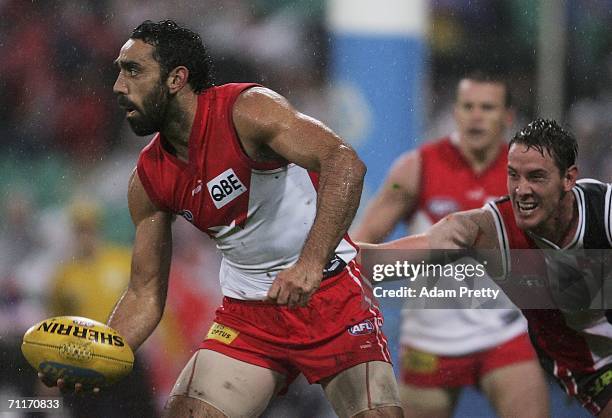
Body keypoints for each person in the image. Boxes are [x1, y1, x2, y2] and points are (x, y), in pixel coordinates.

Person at [41, 20, 403, 418]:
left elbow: (343, 161)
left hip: (330, 294)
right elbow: (145, 294)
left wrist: (310, 264)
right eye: (119, 71)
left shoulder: (246, 110)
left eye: (133, 70)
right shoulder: (148, 180)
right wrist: (101, 356)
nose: (118, 86)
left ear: (177, 78)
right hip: (249, 316)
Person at [363, 119, 612, 416]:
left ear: (569, 179)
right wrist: (327, 263)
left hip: (519, 342)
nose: (522, 190)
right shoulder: (492, 229)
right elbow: (395, 257)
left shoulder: (604, 211)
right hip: (590, 363)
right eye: (513, 176)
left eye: (536, 177)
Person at [352, 72, 549, 417]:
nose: (475, 115)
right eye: (467, 106)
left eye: (486, 107)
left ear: (508, 118)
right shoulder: (416, 169)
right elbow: (359, 249)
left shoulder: (527, 175)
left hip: (503, 335)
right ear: (455, 113)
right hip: (430, 342)